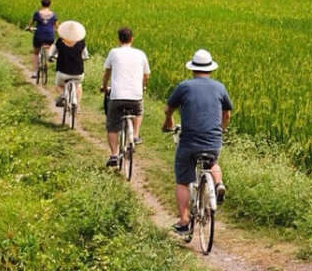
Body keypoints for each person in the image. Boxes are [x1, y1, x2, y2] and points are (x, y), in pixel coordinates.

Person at [162, 49, 232, 237]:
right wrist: (222, 129)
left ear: (193, 69)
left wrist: (168, 120)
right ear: (210, 69)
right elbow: (227, 114)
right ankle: (218, 184)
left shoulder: (184, 86)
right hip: (213, 141)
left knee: (183, 180)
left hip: (189, 142)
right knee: (212, 163)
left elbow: (168, 108)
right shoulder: (220, 87)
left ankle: (184, 221)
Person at [100, 27, 151, 167]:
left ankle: (114, 155)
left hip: (117, 96)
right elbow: (146, 75)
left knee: (112, 125)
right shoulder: (140, 54)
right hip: (136, 95)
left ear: (118, 39)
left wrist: (104, 86)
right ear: (132, 39)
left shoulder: (114, 52)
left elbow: (107, 73)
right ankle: (135, 134)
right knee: (139, 111)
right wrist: (142, 86)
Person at [50, 21, 89, 110]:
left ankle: (63, 95)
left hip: (62, 72)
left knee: (58, 85)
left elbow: (51, 53)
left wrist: (51, 57)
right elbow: (86, 56)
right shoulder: (81, 43)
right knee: (78, 85)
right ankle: (77, 106)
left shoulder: (59, 41)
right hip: (78, 72)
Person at [25, 0, 58, 79]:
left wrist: (29, 28)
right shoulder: (53, 15)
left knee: (35, 52)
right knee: (50, 45)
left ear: (41, 4)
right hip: (49, 36)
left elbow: (30, 25)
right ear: (50, 4)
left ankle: (35, 71)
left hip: (39, 35)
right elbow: (56, 27)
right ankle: (50, 55)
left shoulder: (37, 13)